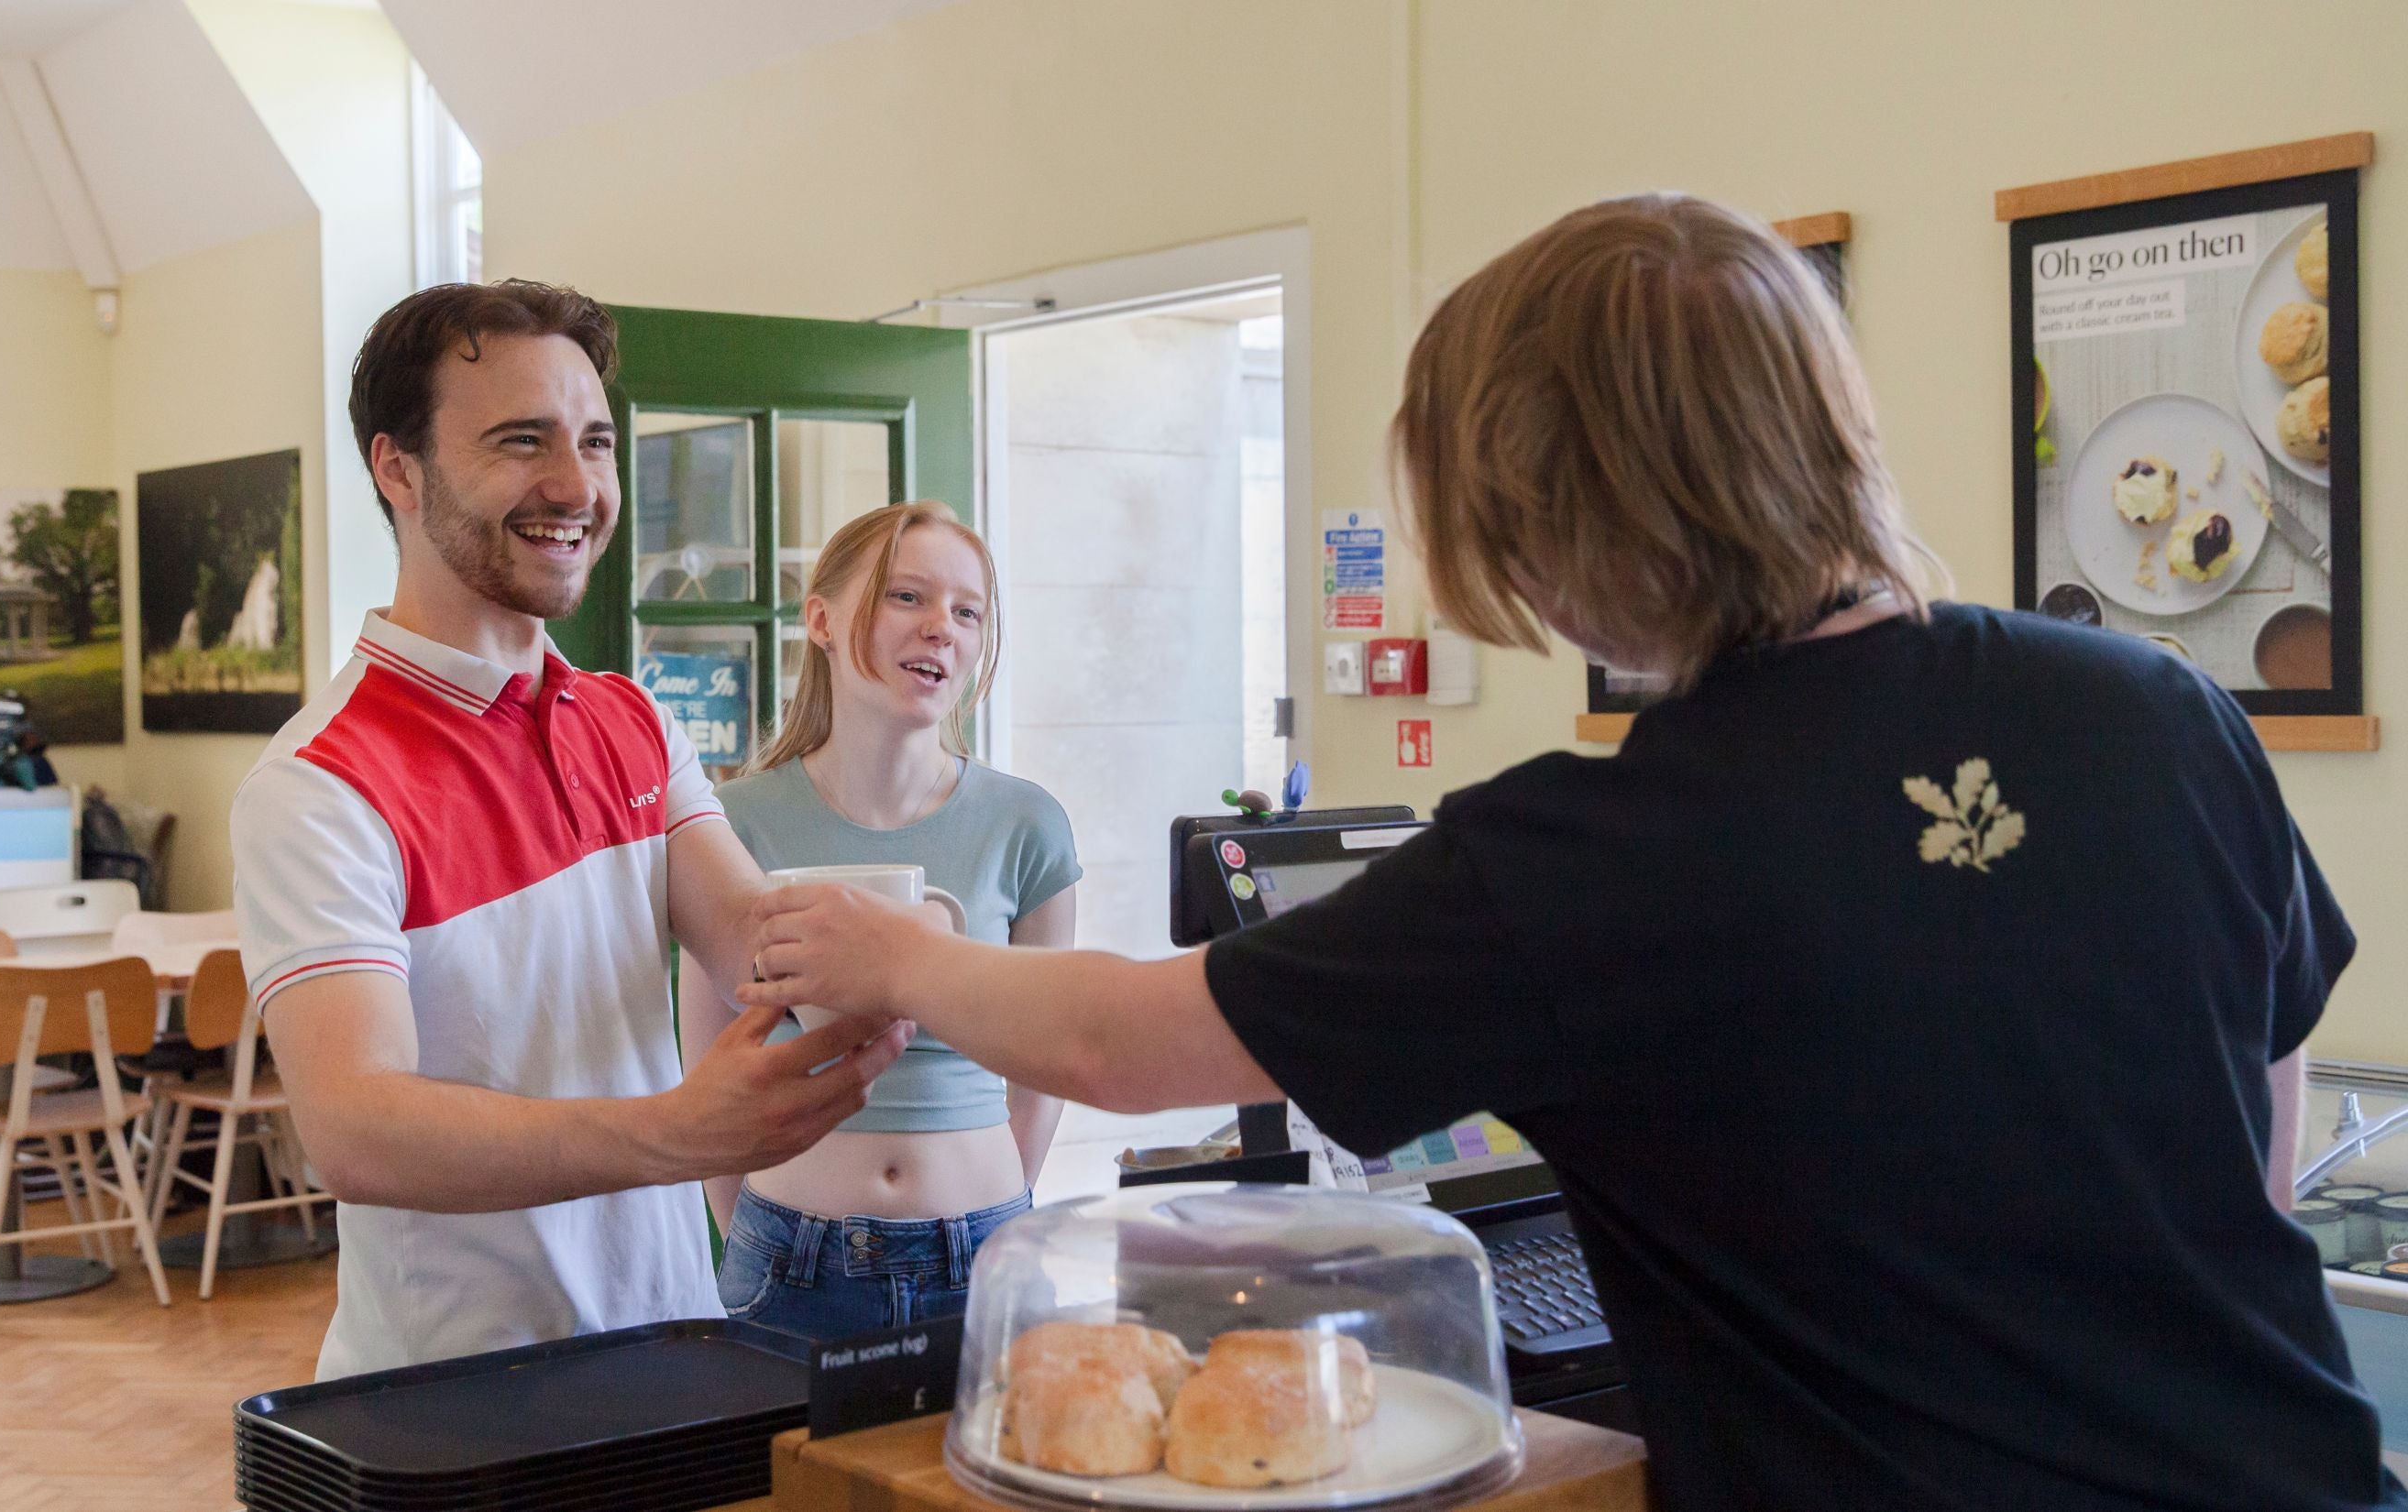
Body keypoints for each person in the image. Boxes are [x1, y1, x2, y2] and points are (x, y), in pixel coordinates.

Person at [740, 197, 2403, 1511]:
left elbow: (1124, 1042)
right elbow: (2268, 1086)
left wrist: (896, 956)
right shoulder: (2149, 700)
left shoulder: (1589, 850)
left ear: (1559, 518)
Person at [231, 280, 911, 1379]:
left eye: (596, 442)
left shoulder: (629, 719)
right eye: (521, 441)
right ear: (396, 469)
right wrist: (679, 1132)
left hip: (666, 1347)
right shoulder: (320, 783)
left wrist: (920, 942)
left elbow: (754, 946)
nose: (576, 486)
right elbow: (355, 1128)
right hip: (455, 1398)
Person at [679, 500, 1078, 1340]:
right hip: (788, 1252)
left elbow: (1045, 1065)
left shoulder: (1029, 824)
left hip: (984, 1246)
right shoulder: (733, 824)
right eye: (908, 597)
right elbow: (710, 1058)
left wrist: (992, 1212)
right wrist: (748, 1220)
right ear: (820, 620)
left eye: (968, 611)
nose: (943, 628)